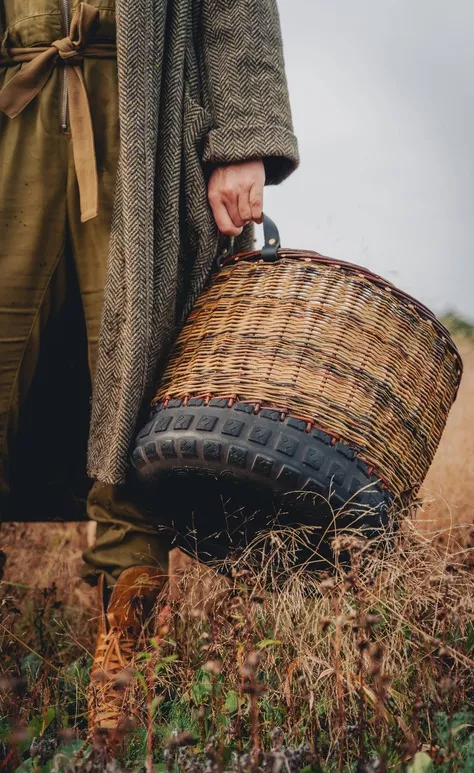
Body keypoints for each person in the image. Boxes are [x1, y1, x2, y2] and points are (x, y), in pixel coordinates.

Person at [0, 0, 298, 733]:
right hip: (14, 115)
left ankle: (123, 666)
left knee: (136, 383)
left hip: (147, 122)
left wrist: (243, 140)